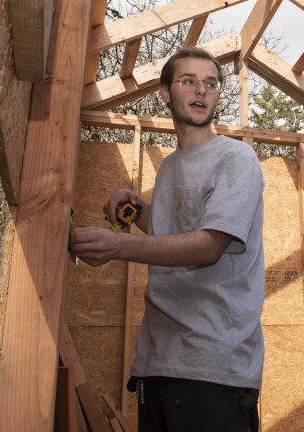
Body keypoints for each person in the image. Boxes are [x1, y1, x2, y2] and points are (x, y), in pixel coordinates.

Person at [70, 47, 265, 432]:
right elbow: (173, 231)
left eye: (211, 84)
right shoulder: (172, 166)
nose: (201, 91)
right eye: (189, 80)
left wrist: (117, 246)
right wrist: (138, 207)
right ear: (164, 92)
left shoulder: (236, 158)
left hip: (213, 370)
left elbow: (209, 245)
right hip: (157, 363)